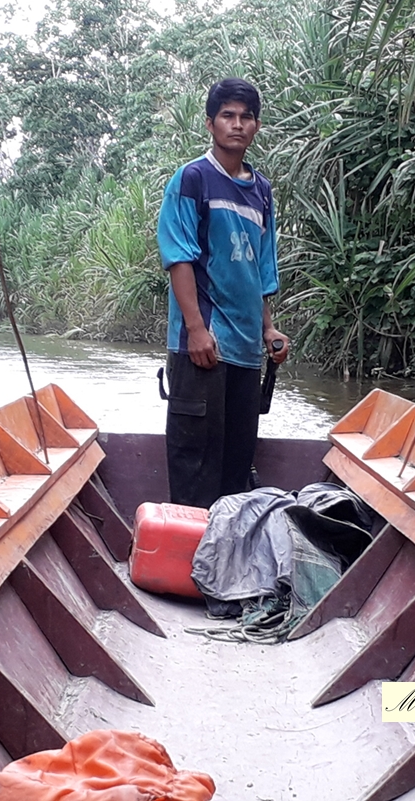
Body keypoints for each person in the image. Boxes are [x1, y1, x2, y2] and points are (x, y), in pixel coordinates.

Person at [156, 78, 290, 508]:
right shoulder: (193, 179)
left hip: (246, 352)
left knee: (236, 470)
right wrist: (196, 330)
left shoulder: (261, 192)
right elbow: (179, 258)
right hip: (204, 349)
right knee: (195, 468)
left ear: (256, 126)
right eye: (227, 116)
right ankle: (186, 547)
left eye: (246, 117)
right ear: (210, 123)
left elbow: (260, 268)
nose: (237, 124)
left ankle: (227, 546)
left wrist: (268, 329)